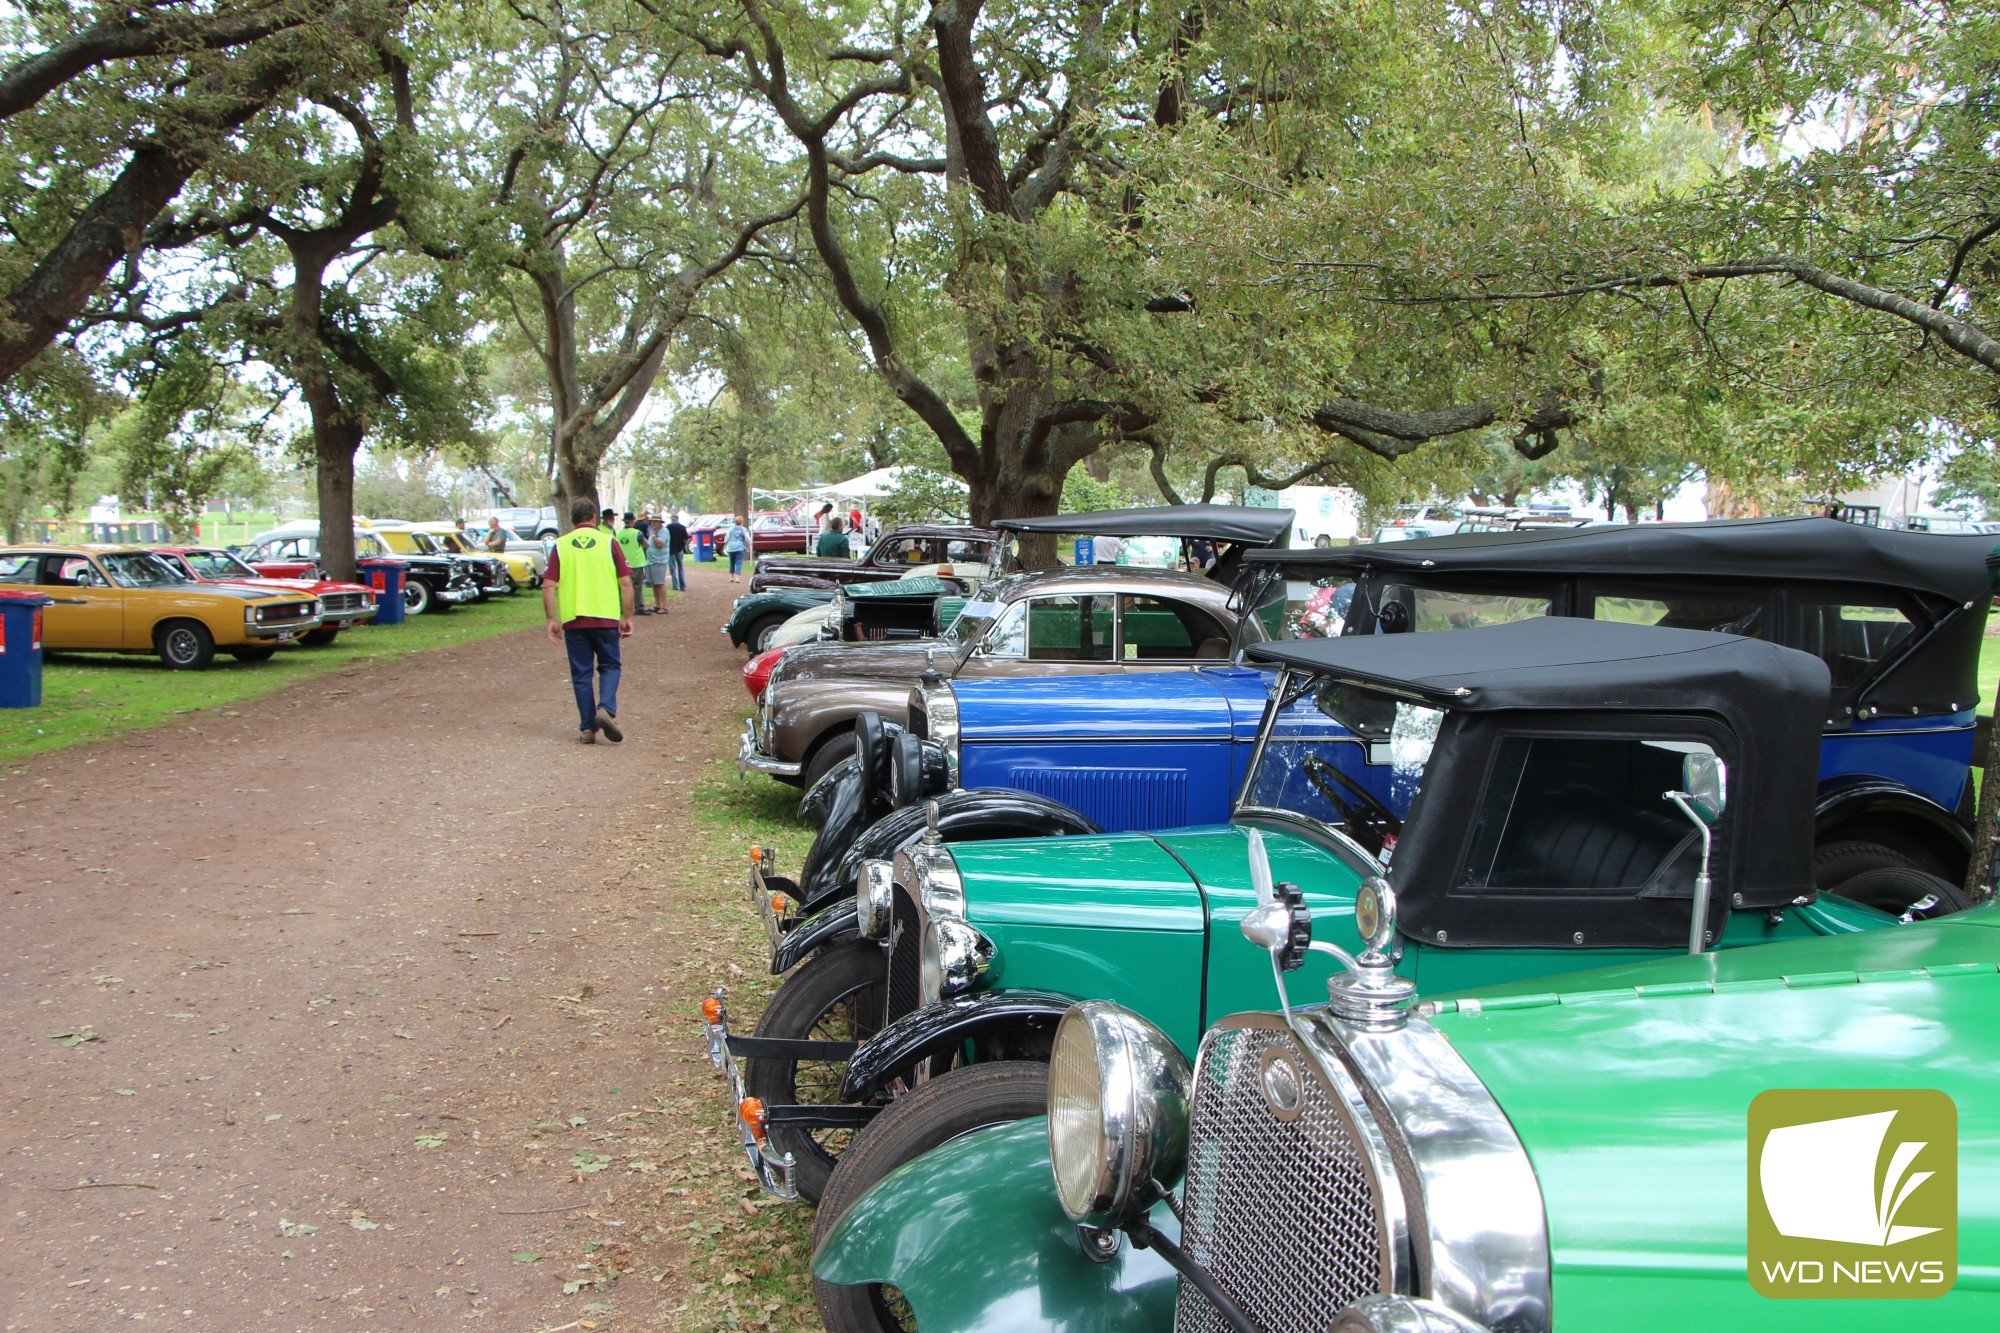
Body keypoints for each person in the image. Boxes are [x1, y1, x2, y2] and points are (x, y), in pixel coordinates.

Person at [542, 498, 633, 744]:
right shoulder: (608, 542)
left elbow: (548, 585)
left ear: (572, 521)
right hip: (605, 617)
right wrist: (627, 616)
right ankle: (605, 709)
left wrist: (551, 618)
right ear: (594, 518)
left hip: (574, 619)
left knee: (581, 674)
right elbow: (625, 581)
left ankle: (587, 728)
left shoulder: (560, 545)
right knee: (610, 666)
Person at [615, 512, 648, 613]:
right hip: (636, 562)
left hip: (622, 563)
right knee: (637, 586)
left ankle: (621, 608)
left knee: (622, 586)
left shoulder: (618, 533)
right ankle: (639, 607)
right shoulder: (637, 533)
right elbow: (646, 545)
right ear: (633, 522)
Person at [643, 517, 671, 614]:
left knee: (660, 583)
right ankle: (657, 605)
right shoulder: (653, 531)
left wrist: (654, 536)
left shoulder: (664, 532)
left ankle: (664, 606)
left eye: (655, 522)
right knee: (654, 584)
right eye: (652, 522)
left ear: (660, 522)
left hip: (659, 561)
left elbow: (660, 544)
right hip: (651, 561)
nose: (653, 523)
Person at [665, 512, 689, 591]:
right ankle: (682, 586)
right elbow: (685, 539)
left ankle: (675, 585)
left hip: (670, 549)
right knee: (680, 567)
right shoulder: (682, 527)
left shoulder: (668, 527)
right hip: (679, 549)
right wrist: (682, 545)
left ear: (672, 519)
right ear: (677, 519)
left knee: (672, 568)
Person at [724, 515, 751, 582]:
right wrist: (749, 544)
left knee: (731, 562)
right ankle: (737, 578)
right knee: (739, 562)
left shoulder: (731, 529)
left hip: (731, 547)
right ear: (742, 522)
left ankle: (731, 577)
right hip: (739, 547)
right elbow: (747, 538)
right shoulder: (743, 529)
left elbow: (727, 537)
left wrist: (725, 544)